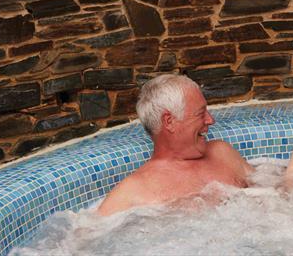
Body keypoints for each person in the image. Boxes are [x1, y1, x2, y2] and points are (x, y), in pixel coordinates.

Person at [98, 74, 253, 216]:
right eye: (201, 113)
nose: (210, 120)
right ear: (169, 121)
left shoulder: (222, 153)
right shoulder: (133, 193)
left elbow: (270, 190)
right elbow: (88, 237)